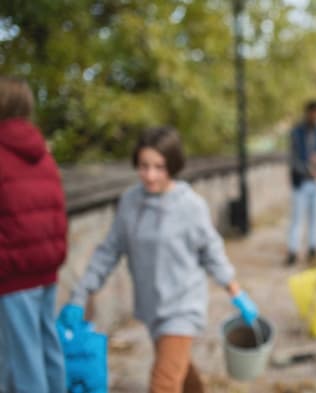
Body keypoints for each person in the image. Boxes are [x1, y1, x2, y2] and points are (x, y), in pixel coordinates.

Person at [59, 127, 258, 393]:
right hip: (152, 307)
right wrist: (80, 296)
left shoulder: (190, 206)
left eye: (159, 167)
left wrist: (237, 293)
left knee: (163, 384)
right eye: (144, 166)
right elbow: (108, 251)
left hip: (183, 307)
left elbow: (212, 252)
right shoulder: (130, 202)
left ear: (173, 166)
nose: (150, 175)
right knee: (178, 368)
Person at [0, 76, 67, 393]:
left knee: (21, 360)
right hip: (45, 269)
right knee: (47, 347)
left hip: (12, 274)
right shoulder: (42, 154)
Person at [287, 100, 316, 265]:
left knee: (315, 217)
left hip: (315, 182)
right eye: (314, 112)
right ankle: (293, 250)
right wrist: (307, 170)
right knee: (297, 218)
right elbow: (293, 159)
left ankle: (313, 247)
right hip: (301, 182)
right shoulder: (297, 132)